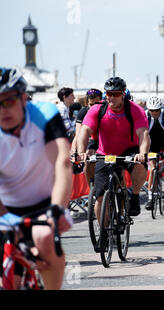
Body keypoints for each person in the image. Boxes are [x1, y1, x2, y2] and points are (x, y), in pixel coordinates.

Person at [0, 67, 73, 289]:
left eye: (8, 101)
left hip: (43, 203)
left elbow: (62, 161)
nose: (3, 110)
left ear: (24, 98)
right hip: (5, 206)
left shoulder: (44, 115)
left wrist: (57, 208)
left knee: (44, 237)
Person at [77, 77, 150, 222]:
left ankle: (134, 196)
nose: (111, 97)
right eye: (109, 94)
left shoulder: (135, 110)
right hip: (106, 153)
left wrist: (142, 154)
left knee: (140, 165)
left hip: (129, 150)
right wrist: (80, 151)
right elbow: (84, 131)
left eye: (116, 94)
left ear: (123, 93)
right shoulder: (97, 109)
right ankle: (104, 235)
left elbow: (144, 134)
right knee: (100, 197)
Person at [145, 96, 164, 211]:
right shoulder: (145, 115)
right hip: (152, 141)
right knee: (153, 169)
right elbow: (143, 136)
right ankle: (150, 198)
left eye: (156, 110)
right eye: (151, 110)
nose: (154, 113)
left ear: (160, 109)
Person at [70, 88, 103, 185]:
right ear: (87, 104)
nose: (94, 107)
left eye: (97, 104)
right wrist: (74, 152)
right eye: (91, 105)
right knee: (88, 160)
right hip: (95, 139)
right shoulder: (83, 112)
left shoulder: (107, 110)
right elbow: (78, 135)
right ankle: (92, 189)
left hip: (107, 140)